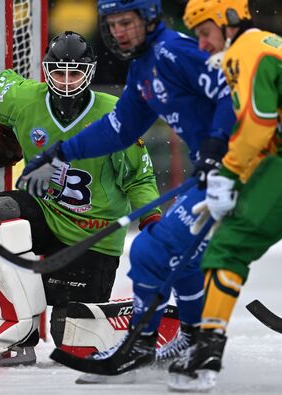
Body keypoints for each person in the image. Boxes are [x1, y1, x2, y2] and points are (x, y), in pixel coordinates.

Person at [16, 0, 237, 376]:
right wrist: (60, 153)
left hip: (246, 169)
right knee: (160, 251)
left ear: (149, 19)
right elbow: (118, 129)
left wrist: (219, 146)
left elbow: (232, 90)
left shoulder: (175, 52)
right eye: (113, 24)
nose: (119, 32)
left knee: (163, 248)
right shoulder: (143, 68)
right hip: (218, 171)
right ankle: (176, 339)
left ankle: (183, 341)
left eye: (127, 23)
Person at [0, 31, 162, 366]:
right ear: (46, 71)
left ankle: (120, 324)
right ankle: (10, 327)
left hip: (93, 237)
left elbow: (140, 178)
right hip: (45, 215)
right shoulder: (23, 101)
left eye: (75, 73)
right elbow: (2, 80)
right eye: (59, 73)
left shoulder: (115, 116)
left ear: (89, 74)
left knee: (70, 343)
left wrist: (153, 221)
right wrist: (6, 127)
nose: (66, 82)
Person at [169, 0, 282, 391]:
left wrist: (228, 175)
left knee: (227, 248)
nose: (201, 45)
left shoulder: (244, 51)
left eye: (204, 32)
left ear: (229, 21)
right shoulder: (268, 44)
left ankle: (207, 346)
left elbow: (257, 127)